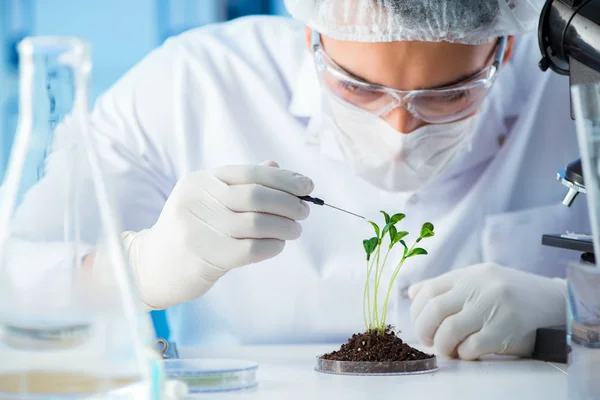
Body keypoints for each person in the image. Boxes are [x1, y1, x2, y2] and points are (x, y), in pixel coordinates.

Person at [12, 0, 590, 360]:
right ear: (312, 39)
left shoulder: (576, 97)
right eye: (358, 88)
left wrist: (575, 309)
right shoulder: (193, 82)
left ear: (506, 46)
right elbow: (18, 279)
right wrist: (138, 267)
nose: (399, 129)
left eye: (449, 96)